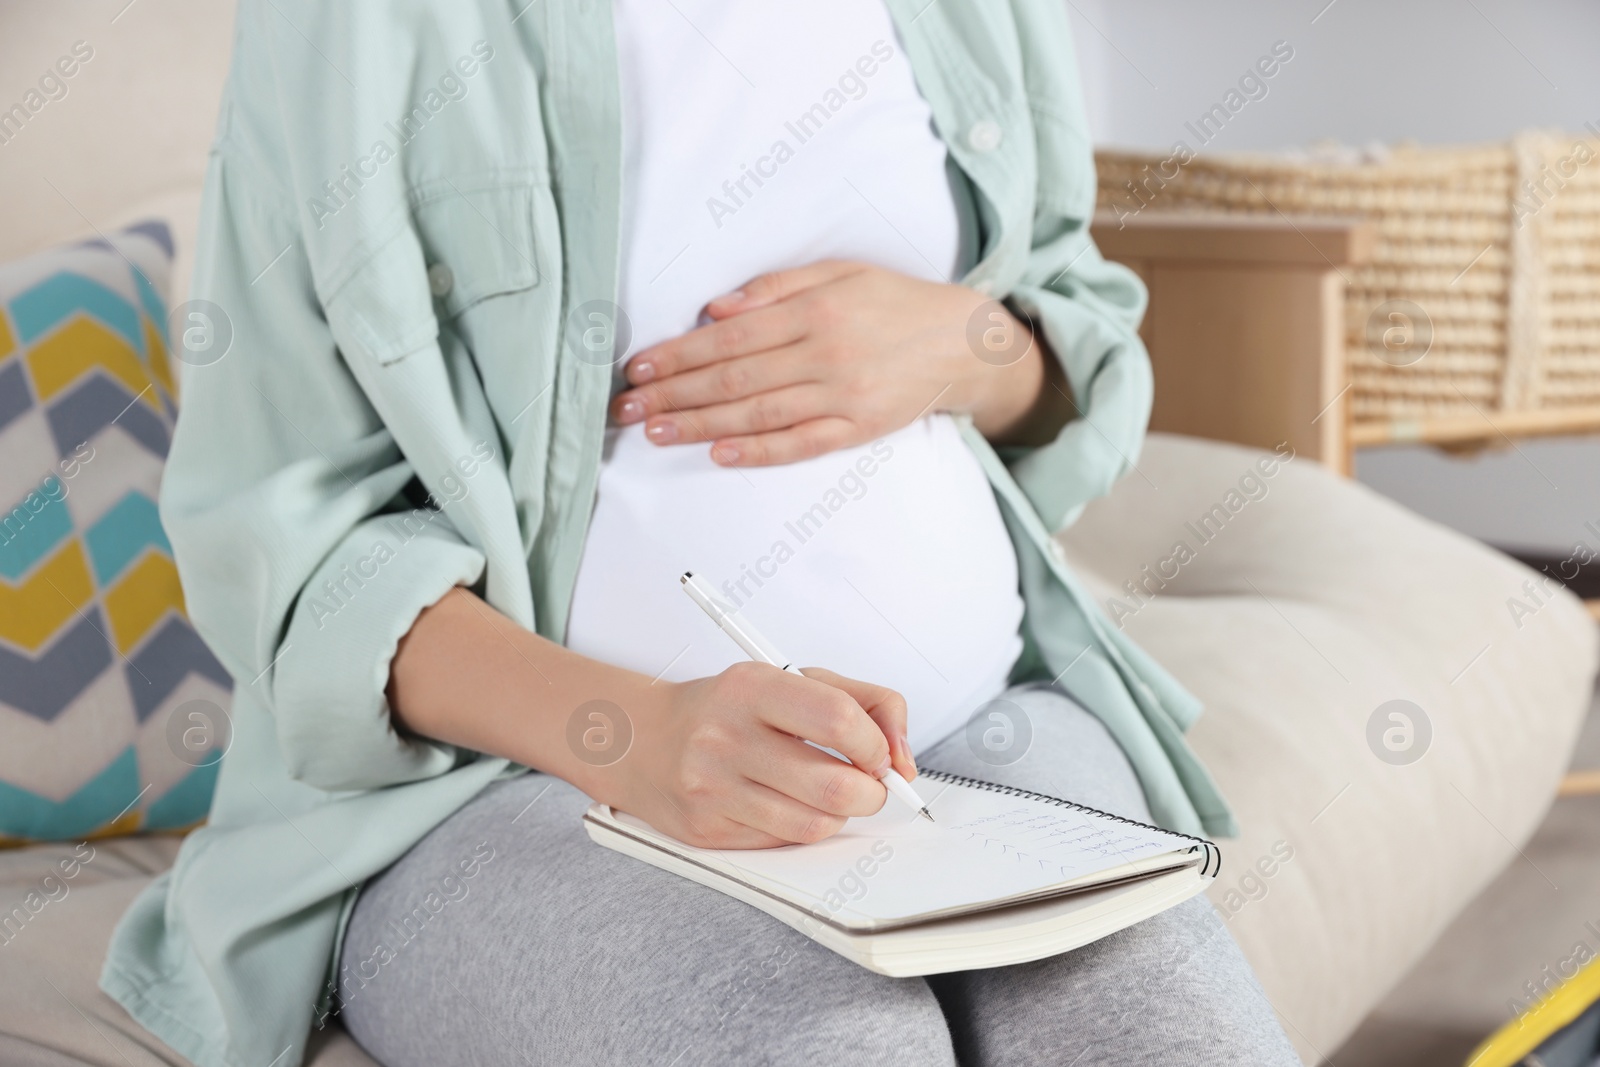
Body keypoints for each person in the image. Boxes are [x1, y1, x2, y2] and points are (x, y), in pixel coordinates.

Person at [104, 1, 1300, 1064]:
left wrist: (965, 344)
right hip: (513, 787)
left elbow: (1071, 323)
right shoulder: (347, 27)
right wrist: (632, 733)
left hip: (985, 722)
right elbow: (282, 535)